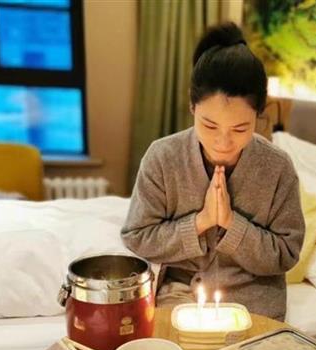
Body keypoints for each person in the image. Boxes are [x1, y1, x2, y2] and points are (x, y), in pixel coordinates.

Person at [121, 22, 304, 321]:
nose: (223, 142)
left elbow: (286, 253)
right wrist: (201, 221)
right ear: (192, 106)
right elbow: (137, 237)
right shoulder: (163, 157)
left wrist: (231, 223)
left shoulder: (277, 168)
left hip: (253, 304)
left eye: (240, 128)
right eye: (209, 125)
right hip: (178, 296)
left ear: (259, 115)